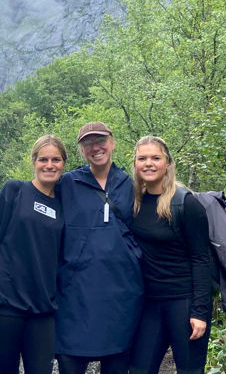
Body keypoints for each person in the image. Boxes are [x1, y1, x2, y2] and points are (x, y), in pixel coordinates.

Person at [0, 135, 67, 374]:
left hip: (43, 307)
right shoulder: (14, 191)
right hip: (4, 303)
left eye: (56, 160)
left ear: (63, 164)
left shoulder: (65, 202)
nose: (49, 165)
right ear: (34, 162)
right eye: (43, 159)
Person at [54, 122, 144, 374]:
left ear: (112, 143)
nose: (96, 148)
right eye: (88, 143)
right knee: (70, 364)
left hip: (121, 298)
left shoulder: (132, 184)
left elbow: (164, 201)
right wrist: (9, 200)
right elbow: (37, 199)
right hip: (75, 298)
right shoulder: (67, 184)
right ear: (82, 150)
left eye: (100, 141)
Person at [128, 136, 213, 374]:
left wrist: (200, 312)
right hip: (149, 304)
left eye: (156, 158)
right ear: (135, 163)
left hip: (183, 302)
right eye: (142, 158)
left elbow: (201, 259)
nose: (149, 163)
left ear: (167, 163)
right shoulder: (135, 202)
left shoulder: (185, 203)